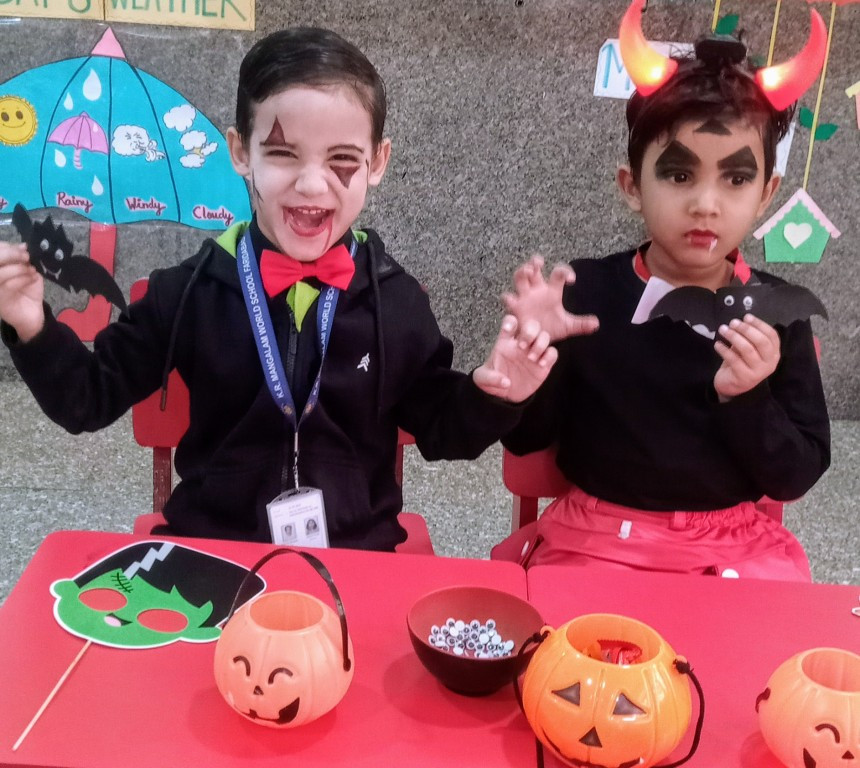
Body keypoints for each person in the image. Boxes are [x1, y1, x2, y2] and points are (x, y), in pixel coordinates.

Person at [0, 27, 557, 550]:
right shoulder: (187, 292)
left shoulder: (397, 301)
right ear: (241, 152)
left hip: (355, 555)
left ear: (378, 163)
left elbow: (444, 432)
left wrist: (498, 391)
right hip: (215, 549)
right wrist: (31, 326)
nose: (311, 184)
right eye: (283, 153)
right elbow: (86, 400)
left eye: (342, 160)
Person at [494, 4, 831, 580]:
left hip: (733, 546)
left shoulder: (778, 314)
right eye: (678, 175)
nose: (706, 204)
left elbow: (794, 475)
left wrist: (748, 397)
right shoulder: (585, 294)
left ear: (766, 193)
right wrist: (529, 365)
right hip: (597, 536)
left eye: (736, 178)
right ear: (632, 186)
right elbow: (530, 440)